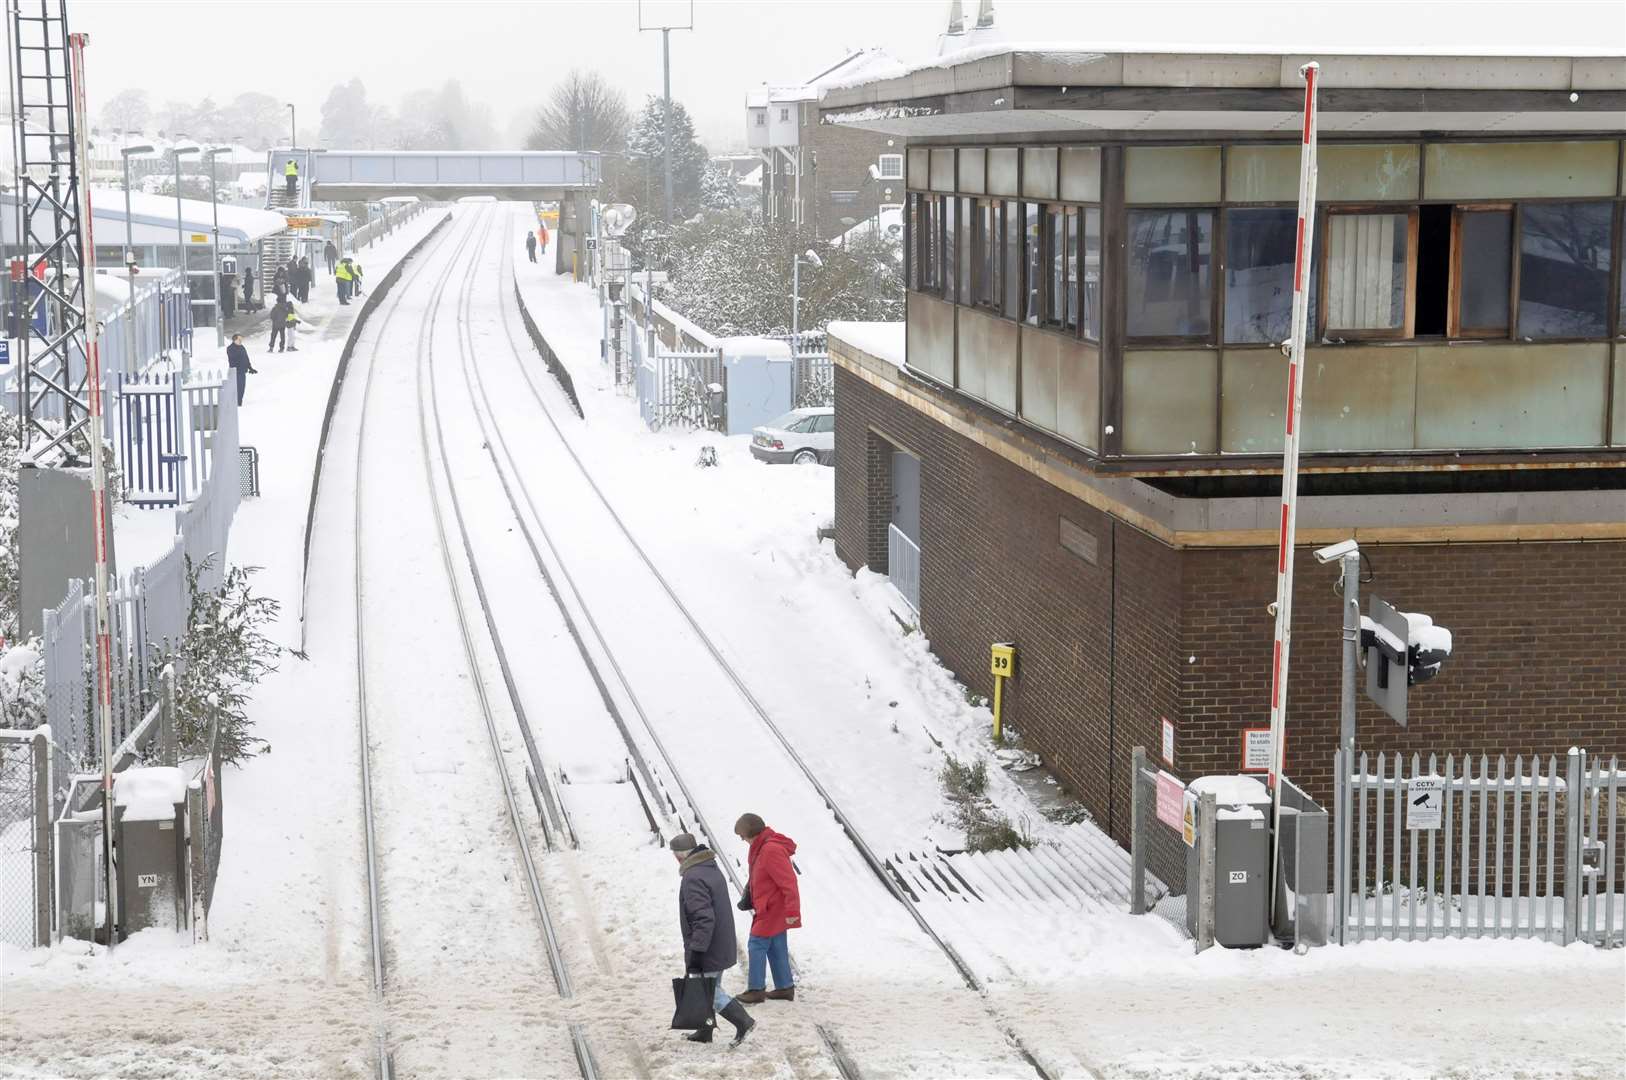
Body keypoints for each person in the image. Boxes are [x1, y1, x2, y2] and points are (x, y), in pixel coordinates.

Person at [672, 832, 755, 1048]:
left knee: (707, 991)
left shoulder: (692, 877)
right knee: (712, 985)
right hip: (719, 942)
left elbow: (703, 918)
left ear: (679, 856)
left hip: (707, 946)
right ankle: (704, 1030)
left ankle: (743, 1022)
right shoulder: (710, 868)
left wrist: (697, 951)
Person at [732, 813, 800, 1004]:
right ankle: (785, 987)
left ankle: (756, 989)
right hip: (769, 905)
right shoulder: (762, 847)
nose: (742, 840)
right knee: (776, 946)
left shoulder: (770, 849)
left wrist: (793, 912)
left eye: (742, 836)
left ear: (751, 833)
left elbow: (789, 882)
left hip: (773, 908)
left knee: (757, 944)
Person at [226, 333, 256, 406]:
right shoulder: (230, 348)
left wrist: (250, 367)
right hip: (235, 372)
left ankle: (239, 403)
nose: (241, 341)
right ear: (234, 340)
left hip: (242, 372)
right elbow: (233, 359)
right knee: (237, 389)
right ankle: (236, 404)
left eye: (241, 340)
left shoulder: (242, 347)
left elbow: (246, 358)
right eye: (239, 339)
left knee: (242, 389)